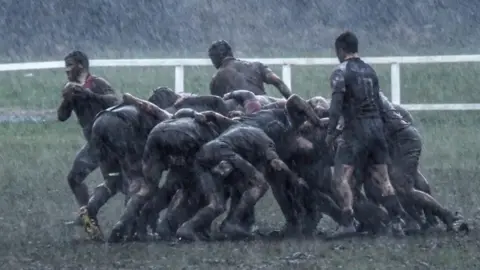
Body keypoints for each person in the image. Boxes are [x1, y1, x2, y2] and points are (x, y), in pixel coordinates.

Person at [325, 32, 406, 235]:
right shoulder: (370, 71)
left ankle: (347, 223)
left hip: (355, 130)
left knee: (340, 178)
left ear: (341, 50)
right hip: (376, 128)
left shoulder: (340, 71)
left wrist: (331, 132)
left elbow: (336, 105)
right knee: (382, 179)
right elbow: (377, 103)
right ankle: (397, 222)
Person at [57, 50, 120, 225]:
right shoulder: (71, 89)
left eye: (70, 65)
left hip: (109, 142)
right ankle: (87, 216)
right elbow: (62, 116)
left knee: (117, 182)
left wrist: (90, 95)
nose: (67, 70)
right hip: (94, 144)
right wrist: (67, 100)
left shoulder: (97, 83)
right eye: (66, 66)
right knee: (75, 178)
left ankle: (136, 221)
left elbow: (115, 101)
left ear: (81, 66)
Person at [208, 40, 292, 99]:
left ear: (215, 58)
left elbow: (220, 106)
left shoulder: (216, 80)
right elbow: (278, 82)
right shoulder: (256, 65)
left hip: (243, 116)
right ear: (230, 52)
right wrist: (291, 101)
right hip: (267, 107)